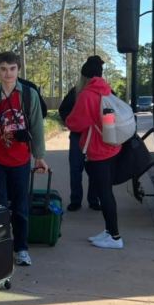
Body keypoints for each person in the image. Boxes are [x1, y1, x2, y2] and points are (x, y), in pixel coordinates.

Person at [0, 51, 48, 267]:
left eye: (12, 69)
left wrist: (39, 157)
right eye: (3, 69)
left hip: (20, 161)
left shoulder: (29, 95)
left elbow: (37, 126)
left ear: (18, 70)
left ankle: (21, 249)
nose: (8, 73)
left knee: (20, 207)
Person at [65, 55, 124, 249]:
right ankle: (109, 231)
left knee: (105, 193)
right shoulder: (106, 91)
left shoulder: (87, 95)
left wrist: (71, 122)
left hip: (97, 150)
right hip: (111, 147)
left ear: (85, 76)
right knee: (105, 191)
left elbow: (75, 122)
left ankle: (115, 236)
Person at [59, 75, 101, 212]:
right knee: (76, 169)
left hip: (95, 137)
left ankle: (93, 200)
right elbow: (63, 109)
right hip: (78, 136)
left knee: (94, 170)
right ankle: (76, 200)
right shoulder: (76, 92)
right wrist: (71, 122)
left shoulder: (103, 91)